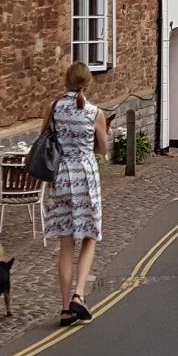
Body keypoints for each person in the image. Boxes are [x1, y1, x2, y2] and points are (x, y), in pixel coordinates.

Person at [44, 62, 108, 328]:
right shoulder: (94, 112)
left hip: (61, 177)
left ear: (66, 81)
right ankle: (79, 295)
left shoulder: (54, 109)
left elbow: (44, 137)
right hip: (85, 177)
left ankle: (63, 308)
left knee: (66, 243)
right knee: (89, 237)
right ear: (88, 82)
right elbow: (103, 149)